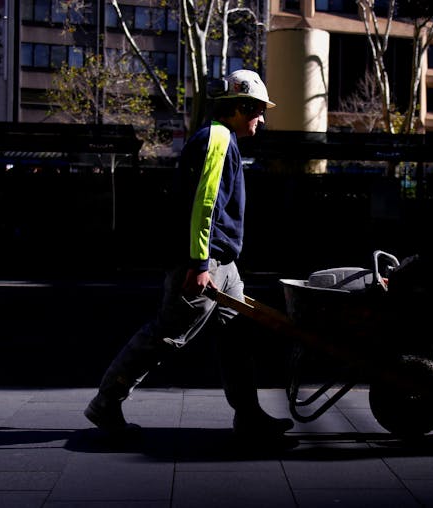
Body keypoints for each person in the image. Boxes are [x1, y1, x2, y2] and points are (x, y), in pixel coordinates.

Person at [84, 69, 293, 440]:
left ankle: (248, 416)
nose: (262, 118)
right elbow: (205, 204)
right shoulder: (217, 138)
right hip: (206, 262)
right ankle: (106, 401)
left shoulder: (224, 139)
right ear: (241, 107)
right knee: (166, 335)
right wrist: (199, 264)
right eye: (259, 110)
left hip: (224, 264)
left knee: (237, 337)